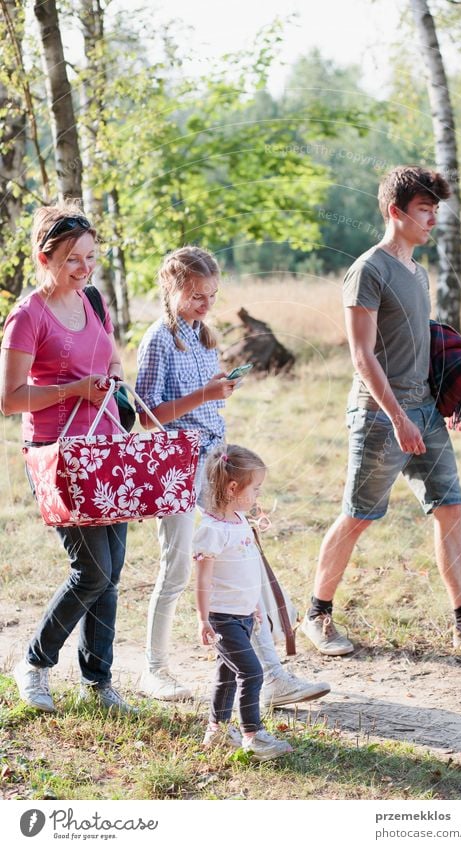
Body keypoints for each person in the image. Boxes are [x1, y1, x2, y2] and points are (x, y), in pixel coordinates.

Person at [300, 165, 461, 655]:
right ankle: (316, 616)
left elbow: (419, 342)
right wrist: (398, 417)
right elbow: (362, 355)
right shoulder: (368, 270)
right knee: (359, 515)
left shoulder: (417, 271)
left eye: (435, 210)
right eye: (424, 210)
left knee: (450, 509)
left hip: (424, 410)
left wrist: (455, 385)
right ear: (394, 211)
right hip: (382, 416)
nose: (432, 220)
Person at [135, 246, 330, 704]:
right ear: (172, 287)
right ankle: (154, 668)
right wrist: (204, 394)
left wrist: (219, 388)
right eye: (197, 295)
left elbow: (205, 402)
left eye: (212, 294)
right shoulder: (159, 339)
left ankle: (273, 675)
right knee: (179, 567)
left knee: (243, 561)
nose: (206, 304)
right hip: (177, 465)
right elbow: (146, 416)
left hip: (216, 463)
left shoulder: (204, 336)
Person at [0, 204, 135, 713]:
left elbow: (112, 358)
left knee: (112, 569)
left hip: (106, 450)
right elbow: (9, 398)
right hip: (57, 457)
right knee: (92, 570)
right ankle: (33, 664)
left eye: (91, 256)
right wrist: (74, 391)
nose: (84, 268)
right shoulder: (28, 315)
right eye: (73, 259)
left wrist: (112, 382)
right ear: (44, 257)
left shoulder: (93, 300)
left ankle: (98, 682)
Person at [194, 444, 293, 762]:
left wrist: (254, 605)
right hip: (222, 618)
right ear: (233, 487)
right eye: (256, 488)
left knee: (226, 674)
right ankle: (254, 734)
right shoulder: (212, 530)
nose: (259, 495)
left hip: (243, 615)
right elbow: (204, 579)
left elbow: (243, 571)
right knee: (251, 672)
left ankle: (217, 731)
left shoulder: (239, 521)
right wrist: (203, 618)